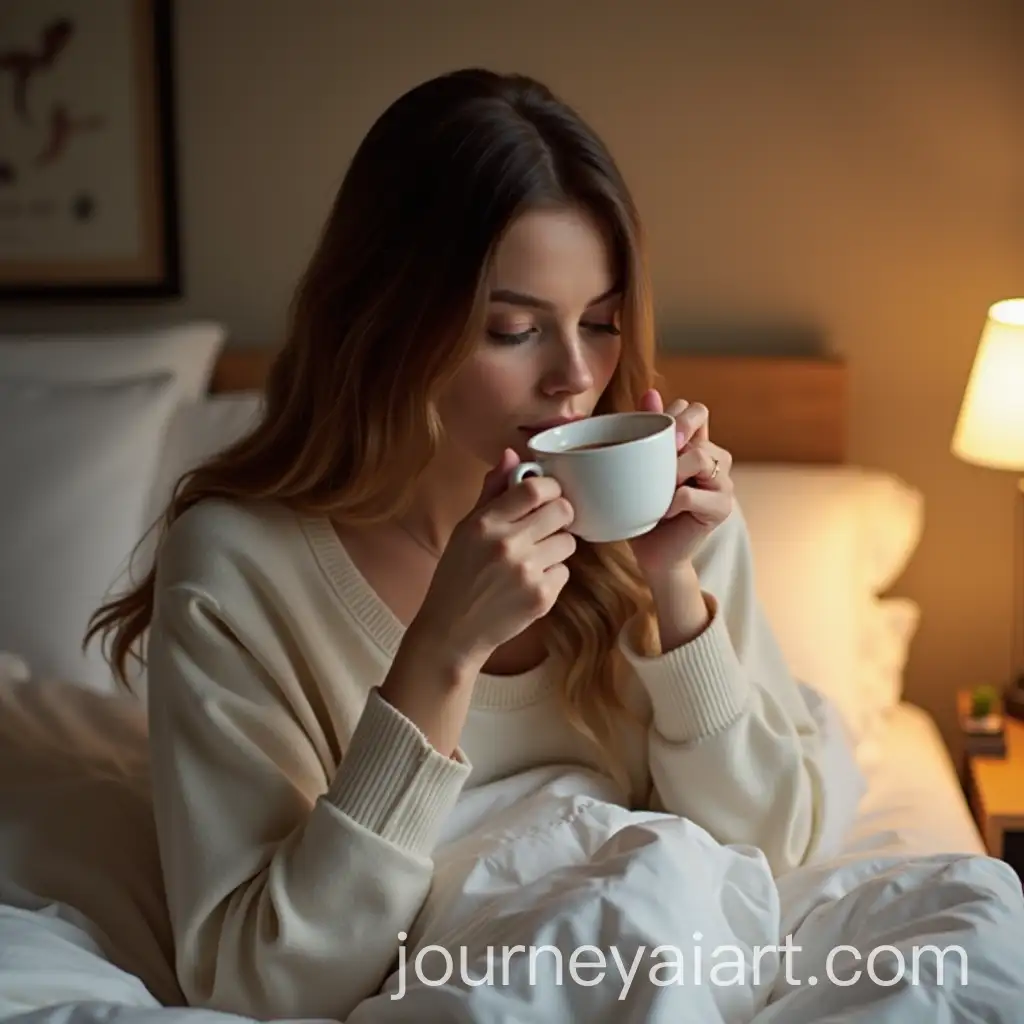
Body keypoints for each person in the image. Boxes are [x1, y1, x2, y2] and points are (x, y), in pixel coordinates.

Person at [87, 68, 838, 1021]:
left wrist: (673, 592)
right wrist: (441, 653)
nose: (576, 377)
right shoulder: (238, 567)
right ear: (390, 319)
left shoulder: (667, 529)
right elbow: (259, 980)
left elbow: (775, 855)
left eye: (602, 323)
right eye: (515, 329)